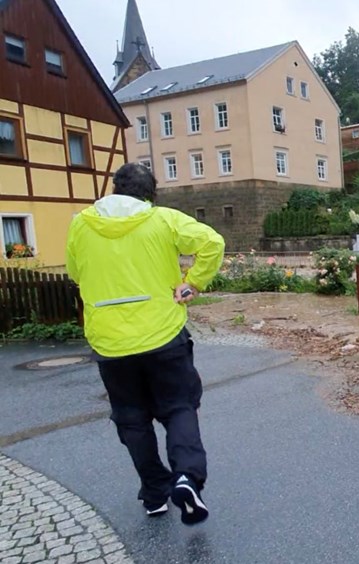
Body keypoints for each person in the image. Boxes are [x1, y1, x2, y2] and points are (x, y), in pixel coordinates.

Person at [66, 162, 224, 525]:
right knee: (179, 407)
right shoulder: (163, 219)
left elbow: (75, 273)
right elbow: (212, 243)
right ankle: (186, 478)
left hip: (110, 344)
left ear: (116, 189)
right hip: (163, 335)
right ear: (150, 192)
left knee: (132, 420)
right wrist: (193, 282)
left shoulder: (81, 224)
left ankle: (154, 493)